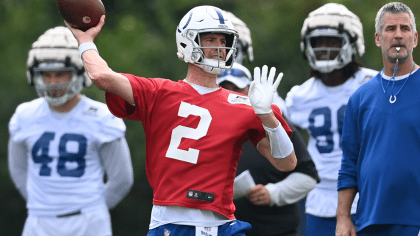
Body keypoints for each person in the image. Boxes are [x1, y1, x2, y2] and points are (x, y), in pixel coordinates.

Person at [65, 5, 297, 236]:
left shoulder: (245, 104)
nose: (219, 47)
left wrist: (267, 115)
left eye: (223, 40)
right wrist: (85, 41)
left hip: (221, 225)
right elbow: (101, 76)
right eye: (211, 39)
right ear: (187, 42)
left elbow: (286, 163)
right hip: (169, 222)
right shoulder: (158, 92)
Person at [8, 26, 134, 236]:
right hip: (39, 221)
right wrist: (43, 205)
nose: (53, 82)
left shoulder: (102, 116)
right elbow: (19, 171)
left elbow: (121, 179)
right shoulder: (25, 116)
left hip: (88, 222)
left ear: (79, 72)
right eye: (46, 74)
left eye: (61, 74)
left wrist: (92, 208)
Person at [284, 3, 378, 236]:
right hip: (321, 195)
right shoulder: (300, 96)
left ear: (352, 42)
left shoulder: (373, 85)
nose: (324, 48)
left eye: (333, 41)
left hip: (368, 191)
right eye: (318, 42)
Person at [337, 2, 419, 235]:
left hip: (415, 220)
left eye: (405, 29)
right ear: (377, 38)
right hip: (370, 220)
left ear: (415, 38)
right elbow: (349, 164)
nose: (398, 35)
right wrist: (343, 218)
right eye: (390, 29)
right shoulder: (360, 98)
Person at [217, 62, 319, 236]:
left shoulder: (272, 122)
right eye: (224, 89)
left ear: (250, 90)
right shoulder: (207, 128)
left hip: (276, 230)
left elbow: (308, 176)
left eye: (237, 88)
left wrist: (273, 193)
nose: (231, 94)